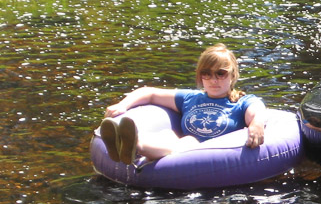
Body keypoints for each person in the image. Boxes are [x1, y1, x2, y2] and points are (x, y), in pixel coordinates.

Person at [98, 43, 267, 165]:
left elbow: (257, 110)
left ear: (233, 75)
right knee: (168, 134)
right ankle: (124, 142)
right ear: (200, 75)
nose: (213, 80)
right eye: (206, 73)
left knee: (189, 141)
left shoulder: (241, 101)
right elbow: (149, 93)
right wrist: (123, 105)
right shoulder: (190, 98)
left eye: (221, 73)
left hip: (211, 153)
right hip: (180, 148)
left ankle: (135, 144)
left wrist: (257, 124)